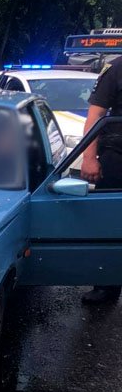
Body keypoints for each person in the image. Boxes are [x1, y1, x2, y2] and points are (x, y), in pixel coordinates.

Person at [79, 56, 122, 304]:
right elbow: (96, 115)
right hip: (118, 157)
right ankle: (106, 285)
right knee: (111, 224)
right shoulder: (117, 69)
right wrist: (89, 158)